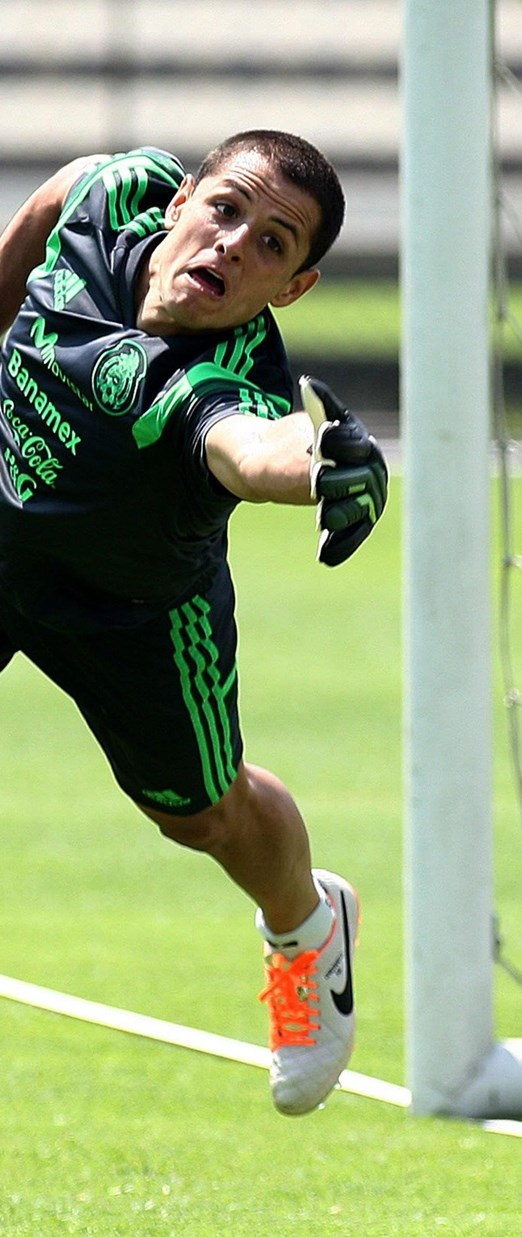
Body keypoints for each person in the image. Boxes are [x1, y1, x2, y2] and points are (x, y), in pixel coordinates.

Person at [0, 130, 388, 1116]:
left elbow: (253, 449)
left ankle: (307, 927)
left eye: (272, 244)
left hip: (132, 611)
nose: (234, 243)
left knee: (201, 813)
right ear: (180, 201)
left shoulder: (225, 379)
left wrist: (323, 467)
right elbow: (53, 198)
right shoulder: (114, 191)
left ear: (292, 289)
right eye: (227, 209)